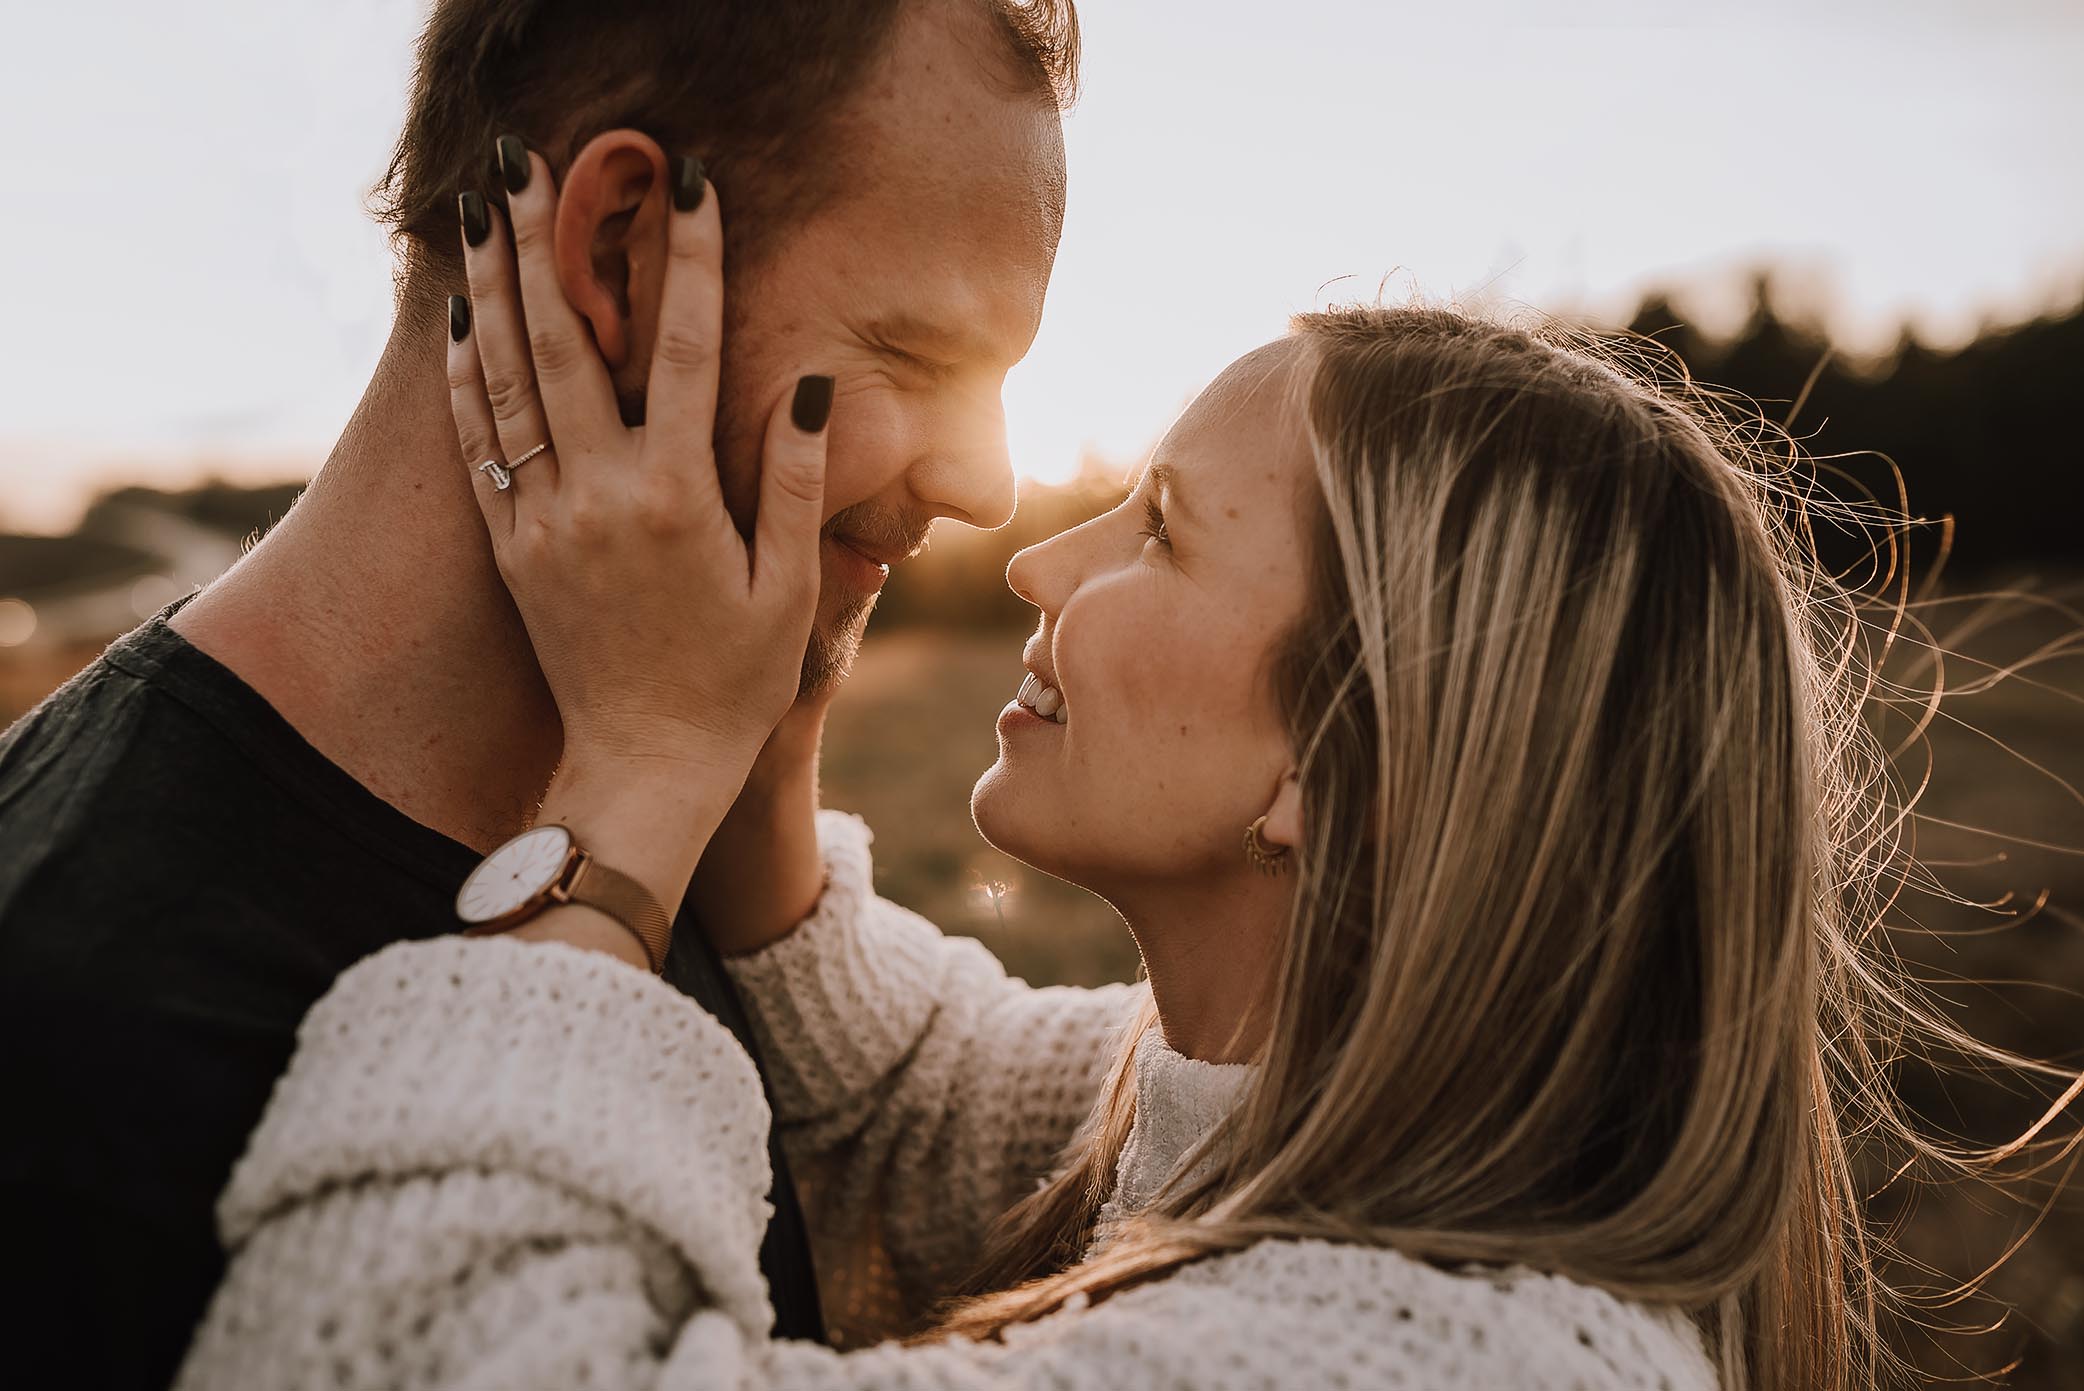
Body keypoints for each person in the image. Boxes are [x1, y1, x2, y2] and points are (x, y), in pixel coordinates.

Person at [172, 133, 2018, 1391]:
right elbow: (908, 1103)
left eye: (1160, 532)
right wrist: (768, 716)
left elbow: (397, 1341)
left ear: (1339, 773)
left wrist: (636, 777)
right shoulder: (1298, 1129)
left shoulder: (1440, 1358)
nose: (1039, 559)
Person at [0, 2, 1079, 1384]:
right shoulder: (68, 1044)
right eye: (924, 357)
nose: (988, 485)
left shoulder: (659, 826)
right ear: (622, 251)